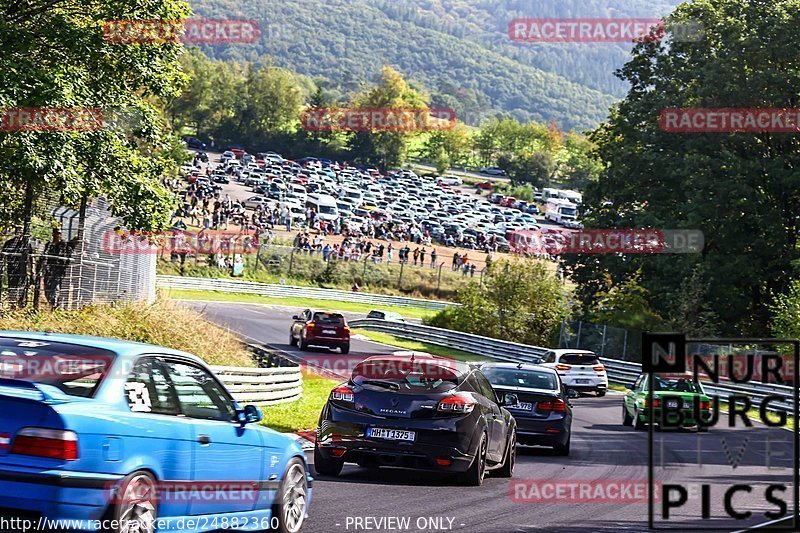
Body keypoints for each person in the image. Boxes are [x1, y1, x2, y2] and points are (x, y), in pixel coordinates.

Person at [39, 229, 76, 307]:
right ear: (53, 234)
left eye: (58, 233)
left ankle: (54, 304)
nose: (57, 235)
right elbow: (44, 256)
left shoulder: (64, 245)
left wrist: (64, 265)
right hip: (49, 269)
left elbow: (69, 255)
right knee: (47, 287)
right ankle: (51, 302)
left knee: (54, 287)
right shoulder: (48, 245)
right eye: (55, 233)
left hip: (59, 270)